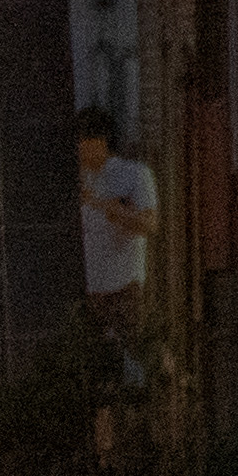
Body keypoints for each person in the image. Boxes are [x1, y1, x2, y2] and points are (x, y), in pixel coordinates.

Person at [77, 104, 158, 325]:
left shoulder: (134, 175)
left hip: (125, 290)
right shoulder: (81, 180)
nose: (78, 150)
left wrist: (106, 206)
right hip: (90, 293)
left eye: (82, 141)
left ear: (99, 141)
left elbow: (149, 224)